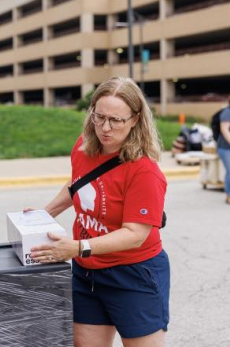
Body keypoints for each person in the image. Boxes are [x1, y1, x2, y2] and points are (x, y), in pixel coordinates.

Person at [29, 77, 170, 347]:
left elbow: (135, 234)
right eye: (99, 117)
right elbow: (78, 185)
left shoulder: (144, 171)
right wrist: (43, 215)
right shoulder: (84, 148)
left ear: (135, 119)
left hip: (133, 274)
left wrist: (77, 247)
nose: (105, 128)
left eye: (116, 120)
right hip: (87, 272)